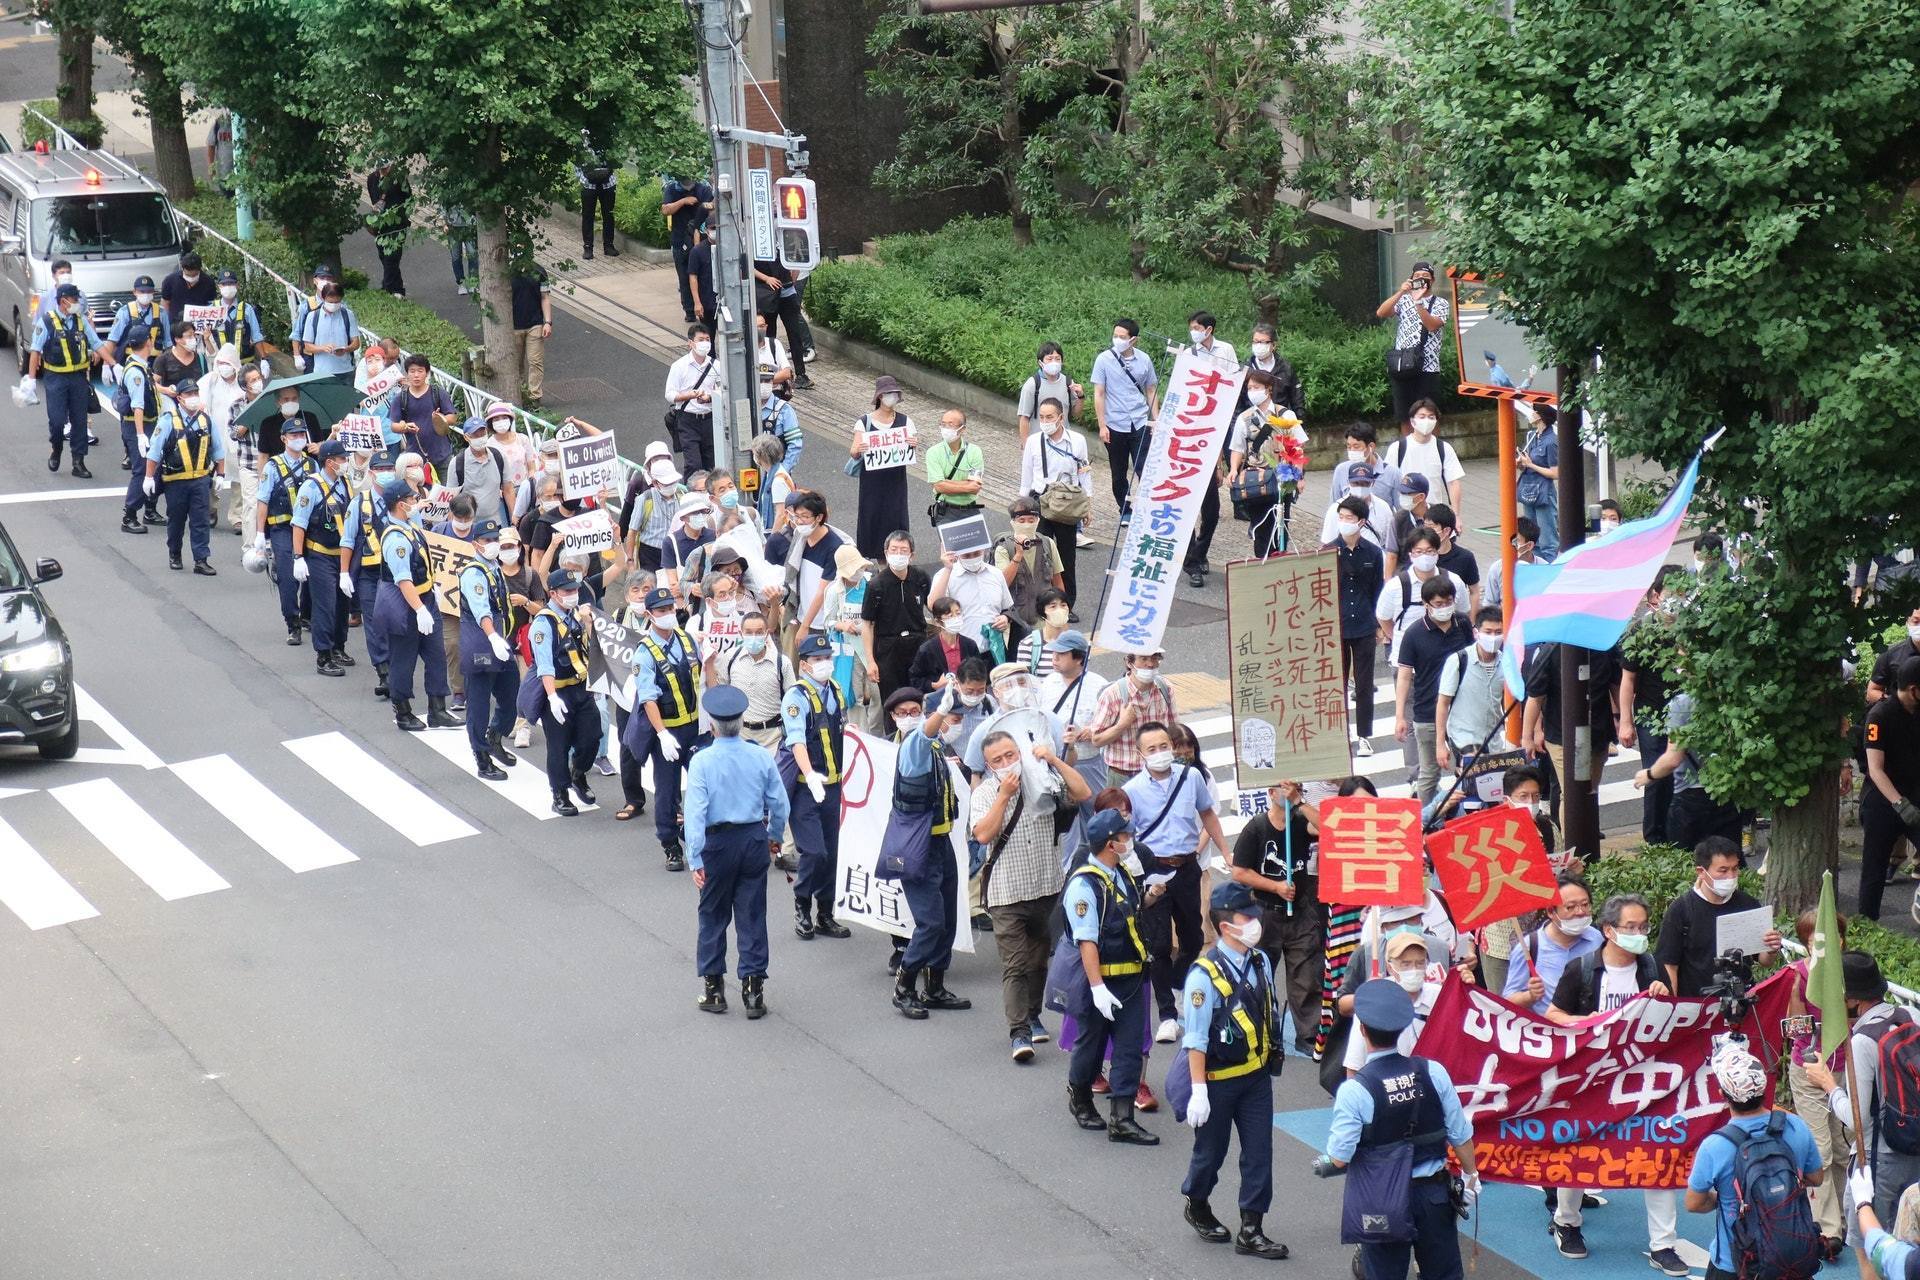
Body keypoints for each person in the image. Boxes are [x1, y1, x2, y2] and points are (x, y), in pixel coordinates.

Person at [1544, 892, 1686, 1275]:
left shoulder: (1651, 967)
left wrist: (1663, 997)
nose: (1639, 934)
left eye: (1644, 927)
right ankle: (1566, 1222)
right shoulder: (1581, 969)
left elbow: (1672, 1021)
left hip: (1643, 1081)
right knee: (1578, 1150)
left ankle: (1663, 1244)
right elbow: (1554, 1014)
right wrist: (1587, 1024)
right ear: (1609, 930)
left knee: (1658, 1154)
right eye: (1631, 927)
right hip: (1591, 1082)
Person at [1324, 979, 1480, 1280]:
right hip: (1434, 1195)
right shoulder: (1433, 1071)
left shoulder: (1355, 1090)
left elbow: (1339, 1157)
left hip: (1381, 1199)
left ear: (1362, 1030)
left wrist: (1325, 1163)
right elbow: (1460, 1134)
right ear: (1402, 1028)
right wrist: (1472, 1177)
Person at [1178, 881, 1288, 1260]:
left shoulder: (1260, 961)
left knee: (1259, 1153)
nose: (1256, 921)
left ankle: (1252, 1229)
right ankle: (1197, 1202)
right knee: (1211, 1153)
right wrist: (1198, 1091)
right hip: (1218, 1082)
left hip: (1256, 1078)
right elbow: (1195, 1040)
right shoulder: (1203, 976)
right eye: (1248, 916)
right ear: (1226, 927)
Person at [972, 724, 1089, 1055]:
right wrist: (1004, 796)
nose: (1006, 763)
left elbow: (1082, 793)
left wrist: (1053, 759)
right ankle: (1019, 1032)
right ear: (988, 765)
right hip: (1006, 892)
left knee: (1038, 961)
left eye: (1010, 755)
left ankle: (1034, 1017)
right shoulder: (985, 794)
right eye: (997, 760)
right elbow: (983, 835)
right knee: (1015, 964)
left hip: (1045, 885)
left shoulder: (1042, 780)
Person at [1126, 721, 1232, 1046]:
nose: (1160, 753)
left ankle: (1174, 983)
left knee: (1193, 937)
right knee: (1158, 946)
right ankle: (1167, 1015)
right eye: (1152, 749)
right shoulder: (1133, 790)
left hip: (1187, 867)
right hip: (1154, 871)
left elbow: (1208, 814)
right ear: (1140, 753)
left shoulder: (1191, 777)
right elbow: (1128, 836)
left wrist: (1226, 852)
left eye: (1164, 746)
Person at [684, 684, 787, 1019]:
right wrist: (773, 836)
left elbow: (695, 814)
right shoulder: (760, 756)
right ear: (742, 722)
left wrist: (695, 858)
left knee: (712, 914)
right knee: (752, 914)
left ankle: (714, 989)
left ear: (712, 725)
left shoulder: (702, 761)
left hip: (717, 843)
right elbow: (779, 804)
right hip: (753, 837)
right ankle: (753, 991)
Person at [1804, 952, 1920, 1234]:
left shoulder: (1863, 1041)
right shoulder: (1912, 1015)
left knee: (1870, 1247)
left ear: (1852, 1000)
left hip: (1879, 1160)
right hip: (1915, 1148)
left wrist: (1828, 1085)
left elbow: (1857, 1120)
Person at [1684, 1048, 1824, 1280]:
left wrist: (1727, 1198)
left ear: (1722, 1094)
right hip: (1790, 1256)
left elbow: (1694, 1203)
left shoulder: (1714, 1145)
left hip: (1735, 1261)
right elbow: (1816, 1178)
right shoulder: (1795, 1126)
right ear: (1763, 1088)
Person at [877, 686, 972, 1019]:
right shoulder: (914, 746)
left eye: (915, 711)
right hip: (918, 847)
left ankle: (935, 986)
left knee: (947, 919)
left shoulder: (934, 747)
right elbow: (924, 734)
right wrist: (940, 711)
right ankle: (904, 987)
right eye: (903, 713)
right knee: (930, 923)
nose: (910, 717)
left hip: (941, 843)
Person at [1063, 810, 1156, 1145]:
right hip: (1099, 983)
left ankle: (1122, 1119)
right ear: (1110, 843)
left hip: (1131, 980)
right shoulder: (1084, 885)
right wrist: (1098, 987)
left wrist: (1151, 896)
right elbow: (1087, 941)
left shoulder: (1121, 873)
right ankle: (1080, 1099)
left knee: (1129, 1049)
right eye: (1124, 836)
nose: (1129, 840)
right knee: (1091, 1046)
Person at [1229, 781, 1322, 1052]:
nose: (1289, 791)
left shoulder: (1301, 822)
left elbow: (1329, 829)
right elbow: (1239, 872)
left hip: (1301, 911)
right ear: (1270, 793)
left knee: (1306, 976)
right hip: (1265, 912)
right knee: (1258, 974)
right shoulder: (1257, 828)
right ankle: (1260, 1031)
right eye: (1283, 787)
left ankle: (1308, 1036)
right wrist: (1275, 887)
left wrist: (1300, 802)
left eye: (1295, 787)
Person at [622, 587, 705, 864]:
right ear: (649, 615)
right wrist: (662, 734)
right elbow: (648, 699)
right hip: (668, 733)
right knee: (667, 792)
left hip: (696, 729)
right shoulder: (644, 654)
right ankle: (670, 844)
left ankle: (695, 833)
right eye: (661, 610)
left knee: (706, 783)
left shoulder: (687, 640)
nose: (668, 614)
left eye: (670, 608)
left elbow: (702, 677)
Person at [371, 480, 460, 733]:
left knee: (436, 654)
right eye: (411, 500)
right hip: (406, 606)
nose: (415, 503)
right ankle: (403, 711)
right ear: (401, 505)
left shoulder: (411, 527)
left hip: (426, 599)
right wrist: (420, 609)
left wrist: (431, 592)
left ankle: (437, 709)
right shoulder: (396, 539)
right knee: (403, 659)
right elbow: (403, 580)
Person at [779, 635, 852, 940]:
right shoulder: (796, 697)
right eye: (818, 659)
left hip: (833, 786)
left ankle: (825, 913)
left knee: (832, 853)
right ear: (805, 664)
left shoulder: (835, 689)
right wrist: (809, 774)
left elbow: (841, 727)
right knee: (814, 851)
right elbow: (796, 740)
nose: (825, 663)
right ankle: (802, 905)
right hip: (805, 789)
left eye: (827, 657)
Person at [1655, 837, 1782, 996]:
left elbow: (1763, 960)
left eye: (1735, 869)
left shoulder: (1748, 904)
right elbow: (1669, 965)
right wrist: (1673, 1005)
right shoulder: (1681, 910)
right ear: (1701, 872)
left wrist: (1771, 949)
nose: (1730, 876)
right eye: (1723, 870)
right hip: (1696, 1004)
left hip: (1740, 1001)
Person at [1634, 687, 1746, 858]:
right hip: (1728, 791)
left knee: (1686, 860)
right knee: (1729, 859)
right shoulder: (1732, 695)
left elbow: (1673, 759)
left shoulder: (1683, 703)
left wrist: (1649, 774)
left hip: (1691, 794)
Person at [528, 568, 602, 815]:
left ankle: (578, 773)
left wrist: (588, 623)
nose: (573, 594)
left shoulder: (576, 615)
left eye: (575, 590)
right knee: (558, 746)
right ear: (553, 593)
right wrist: (552, 697)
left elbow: (590, 648)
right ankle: (559, 793)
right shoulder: (544, 623)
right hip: (558, 692)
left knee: (592, 736)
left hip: (581, 688)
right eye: (567, 591)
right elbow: (544, 665)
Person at [1619, 567, 1684, 844]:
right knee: (1657, 773)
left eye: (1683, 593)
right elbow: (1628, 679)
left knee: (1685, 775)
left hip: (1686, 712)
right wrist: (1625, 721)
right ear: (1655, 596)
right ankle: (1655, 839)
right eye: (1672, 593)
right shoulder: (1640, 631)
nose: (1678, 599)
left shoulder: (1693, 629)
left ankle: (1679, 834)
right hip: (1651, 713)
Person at [1394, 576, 1471, 802]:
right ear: (1426, 604)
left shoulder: (1462, 623)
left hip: (1462, 711)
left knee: (1469, 767)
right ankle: (1427, 817)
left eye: (1448, 602)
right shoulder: (1414, 634)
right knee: (1429, 773)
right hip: (1428, 710)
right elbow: (1404, 676)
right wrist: (1400, 716)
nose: (1444, 607)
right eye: (1438, 604)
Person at [456, 520, 521, 781]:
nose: (493, 544)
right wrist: (493, 636)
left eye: (495, 539)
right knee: (479, 702)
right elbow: (481, 608)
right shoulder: (474, 573)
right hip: (482, 643)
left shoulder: (494, 567)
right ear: (476, 544)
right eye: (487, 540)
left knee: (511, 692)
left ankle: (495, 735)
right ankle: (482, 757)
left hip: (500, 641)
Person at [143, 380, 229, 576]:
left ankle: (201, 559)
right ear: (180, 398)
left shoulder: (206, 420)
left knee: (201, 521)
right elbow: (154, 451)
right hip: (176, 482)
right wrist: (148, 477)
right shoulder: (168, 421)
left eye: (195, 393)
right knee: (176, 521)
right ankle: (175, 553)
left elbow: (218, 449)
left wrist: (221, 475)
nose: (193, 398)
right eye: (189, 394)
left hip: (200, 480)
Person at [1860, 656, 1920, 920]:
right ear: (1913, 689)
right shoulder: (1880, 715)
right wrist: (1900, 804)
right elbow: (1876, 769)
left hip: (1914, 796)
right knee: (1874, 870)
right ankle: (1867, 923)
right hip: (1882, 802)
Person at [1018, 398, 1091, 606]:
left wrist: (1088, 506)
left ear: (1061, 417)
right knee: (1039, 554)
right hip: (1040, 501)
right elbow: (1026, 474)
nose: (1045, 421)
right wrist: (1022, 506)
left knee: (1067, 557)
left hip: (1068, 503)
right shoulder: (1034, 441)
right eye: (1041, 417)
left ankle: (1067, 604)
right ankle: (1039, 603)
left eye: (1049, 417)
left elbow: (1084, 473)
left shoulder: (1077, 441)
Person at [1329, 497, 1386, 755]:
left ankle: (1364, 735)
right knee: (1336, 684)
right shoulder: (1330, 551)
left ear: (1361, 522)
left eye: (1349, 518)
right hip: (1336, 627)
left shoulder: (1373, 553)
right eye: (1341, 517)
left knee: (1364, 684)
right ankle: (1340, 733)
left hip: (1364, 625)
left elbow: (1377, 590)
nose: (1344, 522)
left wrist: (1379, 624)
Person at [289, 440, 353, 670]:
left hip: (342, 555)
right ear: (329, 462)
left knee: (343, 603)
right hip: (320, 554)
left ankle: (338, 647)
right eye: (342, 459)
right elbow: (299, 524)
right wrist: (298, 557)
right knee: (325, 605)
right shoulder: (311, 487)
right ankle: (324, 655)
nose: (345, 462)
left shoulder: (344, 482)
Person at [253, 418, 317, 645]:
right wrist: (260, 534)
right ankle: (293, 622)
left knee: (313, 573)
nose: (298, 439)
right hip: (282, 528)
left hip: (310, 528)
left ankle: (307, 615)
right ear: (284, 439)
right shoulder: (272, 466)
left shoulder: (312, 465)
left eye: (301, 435)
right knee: (288, 577)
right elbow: (263, 501)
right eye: (293, 435)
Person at [1500, 876, 1601, 1014]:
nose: (1580, 912)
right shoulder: (1529, 948)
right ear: (1551, 912)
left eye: (1585, 904)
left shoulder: (1597, 938)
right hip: (1548, 1026)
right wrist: (1529, 996)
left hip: (1591, 1024)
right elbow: (1508, 1001)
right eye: (1570, 907)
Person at [1090, 318, 1159, 519]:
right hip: (1114, 424)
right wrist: (1102, 425)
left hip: (1139, 421)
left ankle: (1148, 509)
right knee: (1118, 472)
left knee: (1144, 468)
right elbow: (1099, 393)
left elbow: (1151, 389)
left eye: (1122, 337)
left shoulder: (1144, 360)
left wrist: (1156, 420)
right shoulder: (1103, 359)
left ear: (1133, 340)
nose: (1118, 340)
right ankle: (1125, 509)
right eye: (1115, 336)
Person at [27, 284, 98, 477]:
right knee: (57, 421)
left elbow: (96, 343)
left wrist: (111, 363)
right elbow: (35, 351)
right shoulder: (46, 321)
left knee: (80, 420)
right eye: (74, 300)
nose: (77, 303)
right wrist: (31, 380)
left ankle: (78, 461)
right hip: (55, 378)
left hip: (78, 378)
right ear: (63, 301)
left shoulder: (80, 320)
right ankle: (56, 448)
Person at [1375, 528, 1469, 668]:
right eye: (1419, 552)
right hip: (1407, 663)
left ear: (1437, 553)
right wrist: (1402, 640)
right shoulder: (1395, 586)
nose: (1424, 556)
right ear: (1411, 554)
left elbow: (1464, 612)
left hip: (1447, 663)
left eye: (1430, 551)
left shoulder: (1454, 581)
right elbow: (1383, 618)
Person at [861, 530, 931, 710]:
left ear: (912, 555)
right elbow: (867, 624)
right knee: (893, 702)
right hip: (888, 648)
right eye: (894, 550)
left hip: (918, 643)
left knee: (921, 698)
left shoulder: (921, 578)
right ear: (886, 553)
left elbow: (933, 605)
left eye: (903, 550)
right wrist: (870, 661)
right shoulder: (876, 585)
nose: (898, 554)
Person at [338, 460, 392, 694]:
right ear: (371, 473)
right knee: (374, 622)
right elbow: (348, 539)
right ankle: (384, 672)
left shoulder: (402, 500)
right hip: (368, 574)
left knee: (397, 621)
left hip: (396, 574)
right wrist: (344, 572)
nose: (385, 473)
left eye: (389, 469)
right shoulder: (359, 503)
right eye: (380, 469)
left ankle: (398, 670)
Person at [1434, 608, 1512, 768]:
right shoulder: (1458, 661)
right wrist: (1440, 744)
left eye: (1498, 632)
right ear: (1476, 633)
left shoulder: (1506, 662)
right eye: (1488, 632)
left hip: (1493, 738)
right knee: (1472, 776)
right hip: (1464, 737)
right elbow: (1443, 703)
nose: (1493, 637)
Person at [850, 377, 918, 560]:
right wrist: (860, 448)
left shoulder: (905, 421)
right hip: (872, 482)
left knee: (896, 517)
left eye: (894, 394)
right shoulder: (864, 422)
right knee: (871, 516)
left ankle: (897, 556)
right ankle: (875, 558)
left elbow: (910, 448)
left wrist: (913, 443)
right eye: (888, 393)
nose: (892, 397)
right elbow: (854, 452)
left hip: (896, 481)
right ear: (880, 396)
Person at [1089, 652, 1177, 788]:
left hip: (1158, 771)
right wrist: (1122, 725)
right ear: (1129, 663)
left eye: (1154, 658)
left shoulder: (1165, 688)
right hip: (1124, 776)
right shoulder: (1112, 695)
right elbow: (1097, 740)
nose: (1150, 664)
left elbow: (1173, 729)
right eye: (1144, 659)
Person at [1377, 261, 1450, 421]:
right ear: (1411, 279)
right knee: (1404, 416)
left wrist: (1418, 302)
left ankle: (1431, 439)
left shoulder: (1441, 303)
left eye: (1425, 276)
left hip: (1428, 368)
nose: (1421, 278)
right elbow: (1381, 312)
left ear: (1432, 280)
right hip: (1403, 365)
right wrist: (1401, 291)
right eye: (1417, 276)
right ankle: (1408, 439)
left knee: (1429, 415)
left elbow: (1432, 325)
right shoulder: (1404, 300)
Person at [929, 546, 1014, 662]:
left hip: (995, 651)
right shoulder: (945, 575)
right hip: (962, 653)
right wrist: (948, 569)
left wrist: (1005, 617)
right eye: (967, 555)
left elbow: (1008, 607)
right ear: (958, 554)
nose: (972, 558)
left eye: (976, 553)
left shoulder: (996, 573)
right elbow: (933, 606)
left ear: (983, 550)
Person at [114, 329, 161, 534]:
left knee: (156, 468)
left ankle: (149, 509)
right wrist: (141, 435)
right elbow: (138, 406)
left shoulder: (140, 365)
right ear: (148, 342)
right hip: (138, 426)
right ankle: (129, 515)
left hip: (147, 424)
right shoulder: (136, 372)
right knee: (142, 470)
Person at [994, 497, 1065, 627]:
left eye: (1031, 520)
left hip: (1043, 617)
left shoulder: (1048, 543)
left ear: (1038, 521)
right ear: (1013, 522)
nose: (1027, 524)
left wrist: (1062, 611)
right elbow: (1003, 583)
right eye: (1021, 520)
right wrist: (1018, 555)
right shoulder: (1004, 548)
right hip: (1014, 619)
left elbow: (1057, 579)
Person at [1385, 400, 1466, 512]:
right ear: (1412, 421)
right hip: (1405, 512)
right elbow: (1388, 481)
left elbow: (1453, 483)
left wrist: (1456, 514)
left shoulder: (1444, 448)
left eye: (1431, 417)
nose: (1426, 421)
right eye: (1422, 417)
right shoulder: (1397, 448)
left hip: (1433, 513)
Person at [665, 325, 722, 474]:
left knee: (712, 464)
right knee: (693, 464)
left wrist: (708, 398)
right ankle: (691, 488)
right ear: (690, 343)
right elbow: (669, 394)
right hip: (687, 420)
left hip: (710, 419)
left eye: (707, 339)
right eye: (700, 339)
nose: (705, 343)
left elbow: (723, 391)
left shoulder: (716, 366)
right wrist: (689, 395)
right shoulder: (679, 366)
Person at [390, 355, 458, 475]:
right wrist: (405, 427)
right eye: (412, 371)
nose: (416, 375)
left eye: (420, 371)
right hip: (415, 459)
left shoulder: (438, 393)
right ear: (407, 374)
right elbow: (394, 426)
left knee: (445, 487)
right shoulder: (401, 398)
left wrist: (439, 418)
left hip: (442, 455)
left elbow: (453, 418)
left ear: (427, 373)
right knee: (418, 487)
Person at [751, 257, 811, 390]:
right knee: (769, 334)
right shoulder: (756, 244)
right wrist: (767, 278)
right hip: (767, 291)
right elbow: (748, 266)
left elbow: (795, 260)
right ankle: (771, 370)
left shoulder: (784, 244)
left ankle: (801, 374)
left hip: (787, 291)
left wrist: (792, 279)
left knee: (794, 333)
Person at [661, 171, 712, 320]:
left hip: (701, 241)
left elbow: (711, 209)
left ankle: (704, 309)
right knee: (684, 278)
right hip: (680, 240)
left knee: (703, 277)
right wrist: (683, 201)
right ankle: (689, 311)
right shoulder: (672, 189)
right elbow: (665, 210)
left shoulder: (703, 189)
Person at [924, 408, 986, 529]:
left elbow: (975, 487)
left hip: (971, 509)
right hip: (945, 511)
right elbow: (939, 486)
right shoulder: (933, 452)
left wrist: (946, 483)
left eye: (950, 425)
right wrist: (966, 485)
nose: (946, 428)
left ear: (962, 429)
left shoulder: (974, 451)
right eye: (943, 424)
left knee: (977, 542)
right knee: (949, 543)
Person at [1515, 402, 1560, 560]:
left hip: (1543, 492)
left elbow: (1555, 473)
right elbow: (1526, 463)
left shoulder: (1551, 441)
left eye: (1534, 411)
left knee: (1547, 539)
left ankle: (1549, 566)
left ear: (1540, 416)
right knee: (1532, 538)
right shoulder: (1532, 436)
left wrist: (1531, 464)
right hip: (1529, 489)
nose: (1531, 414)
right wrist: (1521, 464)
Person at [908, 596, 981, 695]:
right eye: (950, 616)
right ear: (938, 622)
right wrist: (935, 685)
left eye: (958, 614)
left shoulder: (970, 645)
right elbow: (914, 679)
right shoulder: (926, 650)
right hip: (939, 698)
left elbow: (979, 673)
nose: (956, 618)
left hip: (967, 696)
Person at [1319, 462, 1396, 555]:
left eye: (1365, 483)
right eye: (1356, 483)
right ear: (1348, 482)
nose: (1360, 487)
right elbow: (1327, 544)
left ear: (1373, 483)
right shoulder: (1335, 510)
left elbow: (1389, 542)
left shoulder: (1383, 507)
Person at [1015, 341, 1082, 445]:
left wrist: (1081, 397)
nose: (1054, 362)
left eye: (1057, 359)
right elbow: (1024, 417)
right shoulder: (1032, 385)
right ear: (1040, 363)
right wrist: (1025, 445)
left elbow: (1076, 414)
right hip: (1039, 443)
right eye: (1049, 359)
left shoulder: (1068, 383)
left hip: (1063, 443)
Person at [101, 274, 171, 371]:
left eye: (149, 291)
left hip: (155, 363)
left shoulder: (161, 312)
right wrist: (106, 365)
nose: (146, 294)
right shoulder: (125, 312)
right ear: (134, 292)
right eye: (142, 291)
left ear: (153, 292)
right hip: (129, 362)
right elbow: (112, 340)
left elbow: (168, 343)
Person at [295, 283, 360, 380]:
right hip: (321, 372)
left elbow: (356, 343)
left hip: (346, 370)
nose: (334, 305)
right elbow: (307, 346)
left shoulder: (348, 315)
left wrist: (346, 349)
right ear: (323, 298)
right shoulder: (312, 316)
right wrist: (323, 348)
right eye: (330, 302)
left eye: (337, 302)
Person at [1329, 421, 1403, 507]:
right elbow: (1334, 505)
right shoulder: (1341, 470)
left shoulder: (1392, 473)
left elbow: (1401, 509)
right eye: (1349, 447)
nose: (1352, 451)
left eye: (1356, 447)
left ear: (1371, 446)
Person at [1423, 504, 1480, 612]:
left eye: (1431, 527)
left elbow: (1474, 592)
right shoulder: (1421, 557)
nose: (1426, 532)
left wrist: (1472, 619)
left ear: (1446, 531)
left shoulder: (1465, 557)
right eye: (1425, 526)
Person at [365, 162, 411, 297]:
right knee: (384, 257)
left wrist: (399, 213)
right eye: (382, 168)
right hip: (380, 225)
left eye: (386, 168)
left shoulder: (399, 179)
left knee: (392, 257)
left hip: (397, 225)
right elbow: (374, 198)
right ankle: (398, 289)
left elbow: (408, 198)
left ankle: (387, 288)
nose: (384, 170)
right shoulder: (372, 178)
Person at [510, 265, 553, 408]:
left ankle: (535, 397)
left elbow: (545, 297)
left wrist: (548, 322)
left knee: (535, 361)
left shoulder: (539, 271)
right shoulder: (507, 271)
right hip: (513, 326)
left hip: (535, 324)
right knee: (516, 364)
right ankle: (520, 396)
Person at [1481, 516, 1544, 611]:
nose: (1510, 545)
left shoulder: (1544, 568)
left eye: (1516, 541)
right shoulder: (1497, 568)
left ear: (1529, 545)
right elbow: (1489, 604)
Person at [577, 137, 619, 260]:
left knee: (609, 215)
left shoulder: (608, 135)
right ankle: (588, 247)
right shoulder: (582, 136)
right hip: (588, 184)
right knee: (587, 216)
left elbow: (616, 156)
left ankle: (609, 246)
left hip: (608, 183)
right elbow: (577, 160)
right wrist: (582, 177)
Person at [159, 252, 217, 330]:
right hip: (176, 325)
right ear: (182, 269)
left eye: (194, 275)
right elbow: (165, 303)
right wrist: (166, 324)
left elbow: (210, 305)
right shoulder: (170, 280)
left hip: (199, 325)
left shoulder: (208, 282)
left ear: (199, 270)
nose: (191, 278)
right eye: (188, 275)